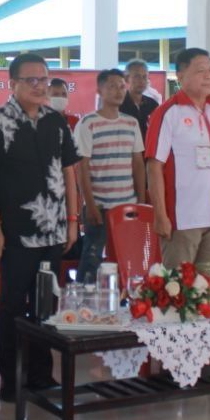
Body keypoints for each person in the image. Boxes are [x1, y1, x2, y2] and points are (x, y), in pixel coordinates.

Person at [0, 53, 81, 403]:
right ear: (13, 83)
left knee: (46, 305)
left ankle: (41, 375)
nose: (40, 86)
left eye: (44, 80)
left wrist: (73, 220)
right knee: (13, 306)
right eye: (31, 80)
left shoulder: (56, 121)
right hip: (16, 232)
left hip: (54, 230)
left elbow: (69, 171)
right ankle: (12, 379)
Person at [146, 48, 210, 282]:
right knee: (177, 293)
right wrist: (160, 215)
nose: (209, 75)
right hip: (183, 220)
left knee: (206, 292)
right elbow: (153, 166)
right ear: (180, 76)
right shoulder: (168, 113)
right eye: (200, 70)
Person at [74, 68, 145, 284]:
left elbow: (138, 164)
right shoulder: (88, 124)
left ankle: (125, 303)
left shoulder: (131, 123)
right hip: (100, 207)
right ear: (100, 90)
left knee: (128, 259)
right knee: (92, 258)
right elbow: (82, 167)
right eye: (112, 86)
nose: (118, 91)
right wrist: (90, 204)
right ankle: (83, 305)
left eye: (122, 86)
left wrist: (140, 202)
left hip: (127, 207)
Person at [121, 59, 159, 138]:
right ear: (127, 78)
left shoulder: (153, 105)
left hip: (148, 148)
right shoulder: (119, 104)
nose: (141, 81)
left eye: (144, 77)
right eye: (137, 76)